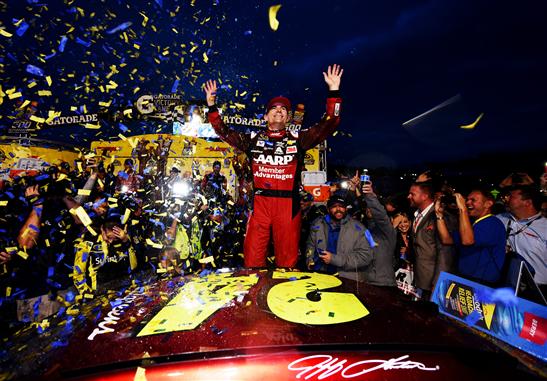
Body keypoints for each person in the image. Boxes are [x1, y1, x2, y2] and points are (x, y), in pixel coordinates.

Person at [204, 64, 343, 268]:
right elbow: (223, 131)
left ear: (287, 118)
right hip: (260, 203)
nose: (279, 111)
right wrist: (211, 106)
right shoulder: (252, 139)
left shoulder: (298, 139)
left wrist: (334, 92)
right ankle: (253, 296)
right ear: (266, 116)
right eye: (274, 108)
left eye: (284, 109)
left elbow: (330, 124)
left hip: (288, 206)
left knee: (287, 263)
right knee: (252, 260)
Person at [435, 189, 506, 285]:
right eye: (467, 200)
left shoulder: (492, 223)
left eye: (473, 200)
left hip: (482, 283)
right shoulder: (472, 224)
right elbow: (447, 239)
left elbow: (467, 241)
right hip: (467, 279)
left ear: (488, 204)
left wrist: (462, 209)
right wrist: (439, 216)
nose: (468, 202)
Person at [305, 195, 373, 281]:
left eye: (341, 206)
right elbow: (310, 245)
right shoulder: (317, 224)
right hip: (321, 278)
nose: (338, 209)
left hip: (348, 280)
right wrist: (309, 260)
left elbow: (366, 257)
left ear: (346, 208)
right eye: (334, 206)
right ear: (328, 209)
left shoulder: (360, 228)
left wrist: (334, 259)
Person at [407, 182, 455, 299]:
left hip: (432, 282)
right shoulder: (417, 215)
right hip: (419, 280)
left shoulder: (440, 216)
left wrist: (438, 283)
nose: (408, 197)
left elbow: (445, 253)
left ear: (425, 196)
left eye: (412, 194)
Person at [496, 185, 547, 291]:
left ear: (527, 202)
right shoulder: (500, 219)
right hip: (505, 284)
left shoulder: (544, 228)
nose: (506, 199)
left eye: (511, 197)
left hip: (537, 289)